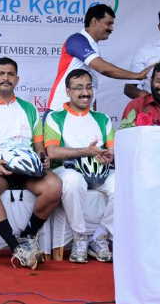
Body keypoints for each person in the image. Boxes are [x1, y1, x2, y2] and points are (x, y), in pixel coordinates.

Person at [0, 57, 62, 270]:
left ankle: (28, 237)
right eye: (1, 74)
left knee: (54, 186)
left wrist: (42, 157)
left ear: (17, 79)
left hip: (28, 170)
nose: (6, 78)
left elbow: (39, 146)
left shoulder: (29, 109)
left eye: (10, 74)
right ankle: (16, 247)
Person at [44, 69, 115, 263]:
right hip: (67, 169)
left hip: (99, 170)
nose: (85, 93)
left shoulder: (102, 118)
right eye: (78, 88)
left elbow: (112, 150)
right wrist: (85, 151)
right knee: (73, 181)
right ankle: (80, 237)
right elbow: (52, 152)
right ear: (68, 91)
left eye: (89, 87)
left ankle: (100, 236)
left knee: (121, 184)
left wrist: (108, 156)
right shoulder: (55, 118)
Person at [47, 4, 149, 111]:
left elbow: (91, 82)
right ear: (94, 21)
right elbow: (103, 69)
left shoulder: (92, 45)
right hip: (60, 110)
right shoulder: (77, 40)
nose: (111, 28)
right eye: (108, 23)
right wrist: (137, 76)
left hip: (82, 111)